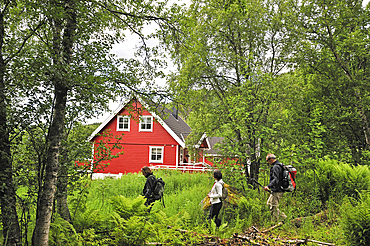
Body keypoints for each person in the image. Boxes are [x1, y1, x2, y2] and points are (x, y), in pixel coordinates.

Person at [263, 153, 287, 222]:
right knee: (269, 204)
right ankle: (284, 218)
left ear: (271, 159)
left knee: (273, 207)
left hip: (278, 190)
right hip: (276, 189)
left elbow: (276, 179)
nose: (267, 162)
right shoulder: (279, 166)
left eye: (267, 160)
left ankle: (275, 222)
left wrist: (268, 186)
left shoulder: (276, 167)